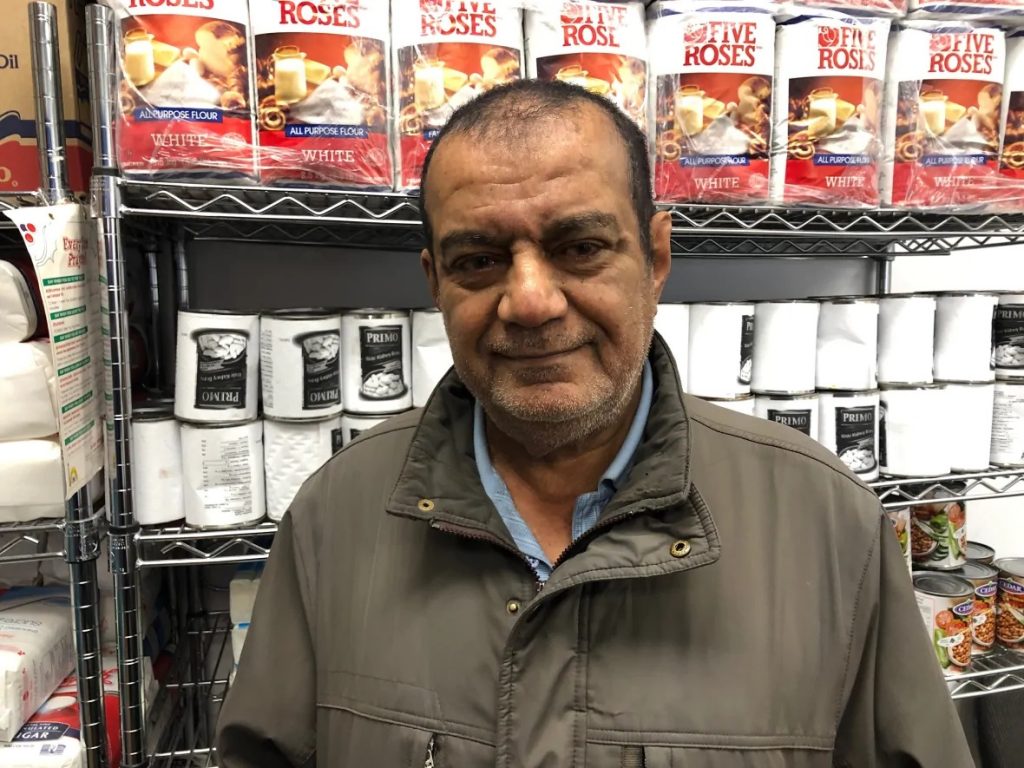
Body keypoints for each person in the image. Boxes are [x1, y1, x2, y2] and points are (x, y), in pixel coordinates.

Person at [216, 80, 974, 767]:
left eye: (580, 248)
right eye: (479, 261)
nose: (532, 301)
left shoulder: (827, 527)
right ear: (435, 284)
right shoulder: (334, 518)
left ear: (656, 256)